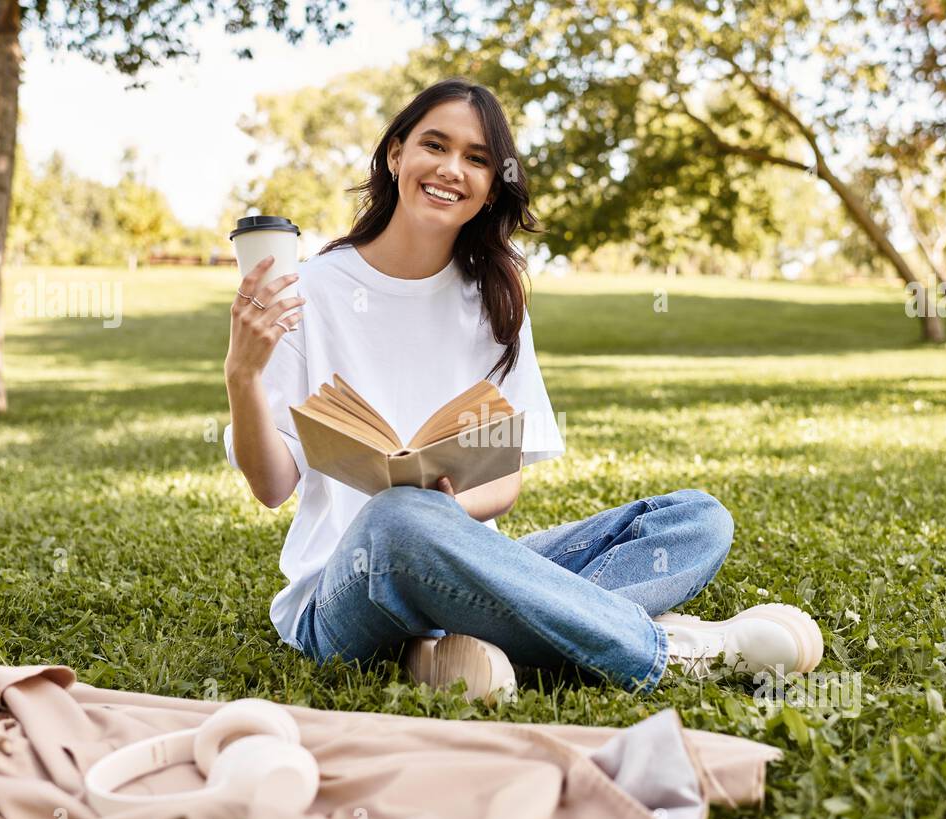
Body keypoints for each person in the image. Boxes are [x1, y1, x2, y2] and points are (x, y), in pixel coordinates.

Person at [222, 78, 823, 703]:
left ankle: (453, 648)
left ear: (490, 187)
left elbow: (503, 483)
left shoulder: (494, 299)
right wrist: (242, 375)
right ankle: (664, 650)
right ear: (396, 155)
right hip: (344, 591)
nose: (452, 169)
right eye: (435, 145)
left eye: (477, 158)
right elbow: (272, 488)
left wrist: (446, 517)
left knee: (695, 520)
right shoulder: (308, 290)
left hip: (460, 561)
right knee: (399, 518)